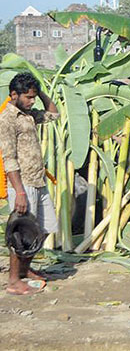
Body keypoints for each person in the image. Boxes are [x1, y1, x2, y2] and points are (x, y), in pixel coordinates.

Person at [0, 72, 59, 296]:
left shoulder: (28, 115)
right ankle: (14, 281)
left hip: (38, 180)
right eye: (28, 97)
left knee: (43, 229)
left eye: (33, 97)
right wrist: (20, 192)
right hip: (22, 184)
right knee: (20, 235)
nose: (32, 101)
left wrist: (39, 90)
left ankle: (25, 270)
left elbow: (54, 114)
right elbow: (9, 159)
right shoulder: (7, 119)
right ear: (14, 95)